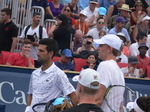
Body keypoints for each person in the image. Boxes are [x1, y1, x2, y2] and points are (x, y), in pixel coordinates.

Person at [25, 38, 78, 112]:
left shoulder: (58, 74)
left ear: (51, 54)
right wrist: (27, 110)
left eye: (41, 51)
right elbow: (31, 94)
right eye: (38, 50)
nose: (37, 53)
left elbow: (74, 97)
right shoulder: (34, 73)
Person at [94, 34, 125, 112]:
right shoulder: (119, 71)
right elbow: (120, 106)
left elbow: (98, 100)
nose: (98, 48)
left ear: (109, 49)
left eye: (101, 45)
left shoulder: (105, 65)